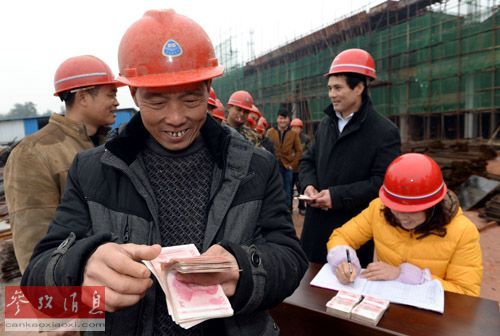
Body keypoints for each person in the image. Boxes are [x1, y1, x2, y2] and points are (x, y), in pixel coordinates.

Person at [22, 9, 308, 335]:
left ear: (208, 87)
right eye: (156, 102)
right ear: (134, 94)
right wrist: (80, 266)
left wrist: (244, 268)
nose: (175, 118)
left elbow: (289, 257)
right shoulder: (92, 171)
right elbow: (37, 280)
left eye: (190, 99)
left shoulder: (255, 167)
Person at [4, 55, 123, 273]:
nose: (116, 102)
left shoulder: (109, 148)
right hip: (74, 286)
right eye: (111, 95)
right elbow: (33, 242)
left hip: (112, 281)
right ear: (84, 97)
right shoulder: (33, 153)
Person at [327, 153, 483, 297]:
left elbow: (466, 293)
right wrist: (343, 262)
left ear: (433, 205)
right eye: (396, 209)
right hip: (382, 301)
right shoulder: (379, 209)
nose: (403, 218)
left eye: (412, 211)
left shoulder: (463, 232)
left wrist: (408, 276)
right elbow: (342, 237)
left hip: (431, 319)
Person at [299, 48, 401, 265]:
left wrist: (336, 197)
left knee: (345, 292)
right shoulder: (326, 123)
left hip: (353, 230)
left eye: (338, 88)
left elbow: (381, 184)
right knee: (307, 287)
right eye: (329, 88)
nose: (331, 94)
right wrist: (308, 186)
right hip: (314, 228)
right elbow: (308, 159)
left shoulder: (385, 132)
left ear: (359, 88)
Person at [266, 109, 303, 210]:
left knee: (288, 189)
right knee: (275, 189)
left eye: (285, 118)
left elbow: (299, 151)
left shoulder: (293, 134)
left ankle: (287, 210)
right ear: (277, 119)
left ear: (288, 120)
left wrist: (293, 165)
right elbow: (266, 148)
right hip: (274, 166)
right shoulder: (270, 132)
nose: (283, 121)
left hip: (287, 166)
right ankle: (276, 210)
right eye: (280, 118)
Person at [290, 118, 310, 215]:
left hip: (301, 169)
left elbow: (308, 152)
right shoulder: (288, 138)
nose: (295, 129)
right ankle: (289, 208)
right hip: (290, 169)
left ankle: (302, 207)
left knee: (301, 189)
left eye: (297, 127)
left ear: (301, 128)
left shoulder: (305, 139)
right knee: (288, 189)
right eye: (293, 127)